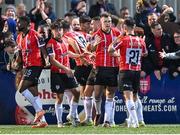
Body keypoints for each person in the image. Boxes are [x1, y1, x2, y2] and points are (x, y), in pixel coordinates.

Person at [108, 17, 148, 128]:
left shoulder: (123, 40)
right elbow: (145, 53)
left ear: (124, 27)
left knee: (128, 97)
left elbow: (110, 50)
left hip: (125, 70)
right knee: (135, 96)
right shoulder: (141, 41)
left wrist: (118, 43)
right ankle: (137, 120)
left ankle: (134, 122)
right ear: (134, 27)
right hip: (137, 71)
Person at [15, 16, 48, 128]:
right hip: (27, 66)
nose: (17, 24)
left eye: (19, 22)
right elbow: (20, 54)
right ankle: (42, 120)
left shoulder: (35, 34)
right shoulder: (19, 37)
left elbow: (43, 49)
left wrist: (47, 60)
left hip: (36, 65)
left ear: (27, 23)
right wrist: (16, 63)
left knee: (21, 89)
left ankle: (39, 111)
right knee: (34, 94)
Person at [46, 20, 80, 127]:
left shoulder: (65, 40)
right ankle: (59, 122)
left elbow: (67, 53)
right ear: (52, 32)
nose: (58, 32)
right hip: (57, 73)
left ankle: (71, 115)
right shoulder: (50, 44)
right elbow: (52, 60)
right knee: (59, 98)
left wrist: (81, 55)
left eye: (60, 30)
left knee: (77, 92)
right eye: (56, 30)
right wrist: (66, 68)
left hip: (67, 72)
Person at [91, 12, 120, 127]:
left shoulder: (117, 34)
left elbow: (121, 47)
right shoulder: (96, 35)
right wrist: (95, 44)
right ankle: (98, 113)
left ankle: (107, 120)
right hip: (99, 67)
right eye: (105, 22)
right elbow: (90, 48)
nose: (108, 24)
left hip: (113, 67)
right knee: (97, 94)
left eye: (109, 21)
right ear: (100, 23)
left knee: (110, 94)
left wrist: (117, 55)